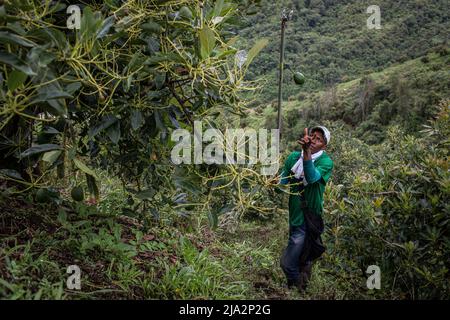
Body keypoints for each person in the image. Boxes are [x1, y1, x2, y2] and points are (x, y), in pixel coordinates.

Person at [278, 126, 333, 292]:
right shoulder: (294, 157)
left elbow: (312, 177)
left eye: (319, 139)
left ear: (324, 146)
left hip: (310, 216)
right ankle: (299, 287)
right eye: (313, 136)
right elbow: (282, 183)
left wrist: (307, 152)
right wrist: (270, 181)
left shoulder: (325, 162)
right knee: (302, 253)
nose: (314, 140)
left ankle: (297, 288)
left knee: (288, 263)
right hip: (295, 214)